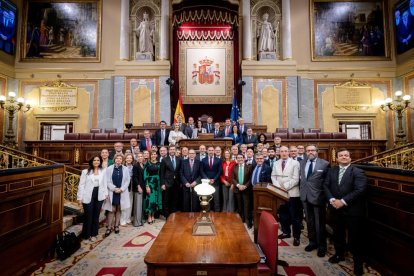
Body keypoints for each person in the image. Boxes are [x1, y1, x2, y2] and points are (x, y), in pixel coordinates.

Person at [324, 148, 367, 276]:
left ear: (350, 158)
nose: (343, 157)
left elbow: (360, 190)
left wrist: (342, 201)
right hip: (335, 209)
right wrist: (332, 199)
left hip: (352, 211)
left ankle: (358, 265)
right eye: (341, 155)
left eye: (346, 155)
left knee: (355, 238)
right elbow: (325, 186)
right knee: (338, 234)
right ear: (336, 158)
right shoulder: (332, 170)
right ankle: (339, 255)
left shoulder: (358, 171)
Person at [300, 145, 330, 257]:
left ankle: (322, 246)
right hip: (305, 197)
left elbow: (327, 183)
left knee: (319, 223)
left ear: (317, 151)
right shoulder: (302, 163)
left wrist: (326, 198)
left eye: (312, 150)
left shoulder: (324, 164)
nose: (310, 152)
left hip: (318, 198)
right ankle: (312, 243)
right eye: (308, 151)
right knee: (309, 222)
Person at [271, 146, 301, 246]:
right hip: (280, 193)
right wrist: (279, 188)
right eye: (281, 151)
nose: (283, 153)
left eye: (285, 151)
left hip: (292, 193)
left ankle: (296, 237)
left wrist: (286, 187)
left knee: (294, 216)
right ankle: (286, 232)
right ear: (279, 153)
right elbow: (273, 177)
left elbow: (296, 179)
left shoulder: (295, 163)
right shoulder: (276, 163)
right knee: (283, 215)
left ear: (288, 152)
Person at [77, 155, 108, 242]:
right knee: (88, 215)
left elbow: (105, 183)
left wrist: (105, 194)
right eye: (95, 160)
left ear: (100, 162)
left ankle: (94, 234)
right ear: (91, 161)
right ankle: (86, 235)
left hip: (99, 194)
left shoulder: (103, 171)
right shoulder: (85, 172)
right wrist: (80, 197)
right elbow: (81, 185)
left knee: (96, 215)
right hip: (88, 195)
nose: (96, 162)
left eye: (98, 160)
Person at [103, 153, 131, 237]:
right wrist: (114, 188)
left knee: (119, 209)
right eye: (117, 158)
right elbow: (107, 181)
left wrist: (121, 189)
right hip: (112, 192)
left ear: (122, 160)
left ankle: (116, 226)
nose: (118, 160)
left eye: (120, 159)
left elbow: (127, 181)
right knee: (112, 209)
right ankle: (109, 227)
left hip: (121, 192)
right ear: (114, 159)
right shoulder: (109, 168)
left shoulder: (125, 169)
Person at [232, 154, 253, 228]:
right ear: (236, 159)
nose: (240, 159)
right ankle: (241, 220)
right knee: (239, 206)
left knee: (246, 206)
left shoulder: (249, 167)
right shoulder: (234, 167)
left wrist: (245, 186)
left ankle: (248, 222)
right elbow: (233, 178)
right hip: (237, 189)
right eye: (238, 158)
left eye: (241, 158)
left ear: (244, 159)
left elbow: (251, 178)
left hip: (246, 189)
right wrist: (238, 185)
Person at [160, 145, 182, 217]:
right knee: (167, 199)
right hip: (167, 183)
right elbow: (162, 173)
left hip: (176, 183)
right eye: (171, 149)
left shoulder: (179, 159)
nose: (172, 151)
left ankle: (173, 213)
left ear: (175, 150)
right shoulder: (164, 160)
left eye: (173, 149)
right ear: (169, 150)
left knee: (175, 199)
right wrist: (162, 184)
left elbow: (180, 171)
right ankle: (166, 215)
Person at [200, 146, 222, 212]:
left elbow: (220, 171)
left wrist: (214, 179)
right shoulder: (203, 160)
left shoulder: (218, 160)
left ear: (214, 151)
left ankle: (217, 213)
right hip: (206, 183)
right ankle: (207, 212)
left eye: (212, 150)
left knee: (216, 199)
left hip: (215, 182)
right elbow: (202, 171)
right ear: (207, 151)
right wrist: (207, 179)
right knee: (207, 198)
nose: (211, 152)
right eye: (209, 150)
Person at [144, 151, 162, 224]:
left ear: (156, 155)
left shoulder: (159, 164)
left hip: (157, 184)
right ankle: (149, 216)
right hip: (150, 184)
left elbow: (160, 174)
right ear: (150, 156)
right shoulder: (147, 164)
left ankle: (153, 215)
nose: (153, 155)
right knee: (150, 200)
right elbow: (145, 175)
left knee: (155, 200)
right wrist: (147, 185)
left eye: (155, 154)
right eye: (152, 154)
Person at [120, 153, 134, 226]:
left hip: (131, 186)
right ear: (125, 159)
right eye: (127, 158)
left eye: (130, 158)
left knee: (130, 203)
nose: (129, 159)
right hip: (124, 187)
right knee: (124, 204)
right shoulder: (122, 167)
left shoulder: (133, 167)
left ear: (132, 159)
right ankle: (122, 220)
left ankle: (128, 218)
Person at [132, 152, 145, 227]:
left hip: (143, 186)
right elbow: (135, 177)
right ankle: (136, 222)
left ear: (143, 157)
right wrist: (138, 186)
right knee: (138, 205)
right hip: (138, 187)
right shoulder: (135, 165)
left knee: (141, 205)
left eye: (141, 156)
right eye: (138, 156)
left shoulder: (143, 165)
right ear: (137, 157)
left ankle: (140, 220)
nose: (140, 157)